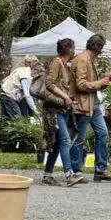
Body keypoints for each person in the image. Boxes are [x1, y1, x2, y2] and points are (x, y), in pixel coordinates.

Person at [69, 34, 111, 182]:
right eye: (101, 49)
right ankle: (76, 171)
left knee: (102, 134)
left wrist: (105, 81)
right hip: (83, 105)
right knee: (79, 139)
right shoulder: (83, 60)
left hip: (93, 103)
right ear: (97, 48)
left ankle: (100, 170)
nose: (101, 52)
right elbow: (81, 84)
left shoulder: (88, 59)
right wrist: (101, 83)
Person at [41, 38, 85, 187]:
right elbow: (49, 83)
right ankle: (69, 175)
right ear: (69, 50)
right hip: (53, 110)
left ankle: (47, 175)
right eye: (73, 48)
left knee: (59, 142)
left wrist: (70, 98)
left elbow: (61, 86)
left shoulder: (64, 65)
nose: (75, 51)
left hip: (61, 108)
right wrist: (65, 96)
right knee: (65, 140)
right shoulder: (56, 63)